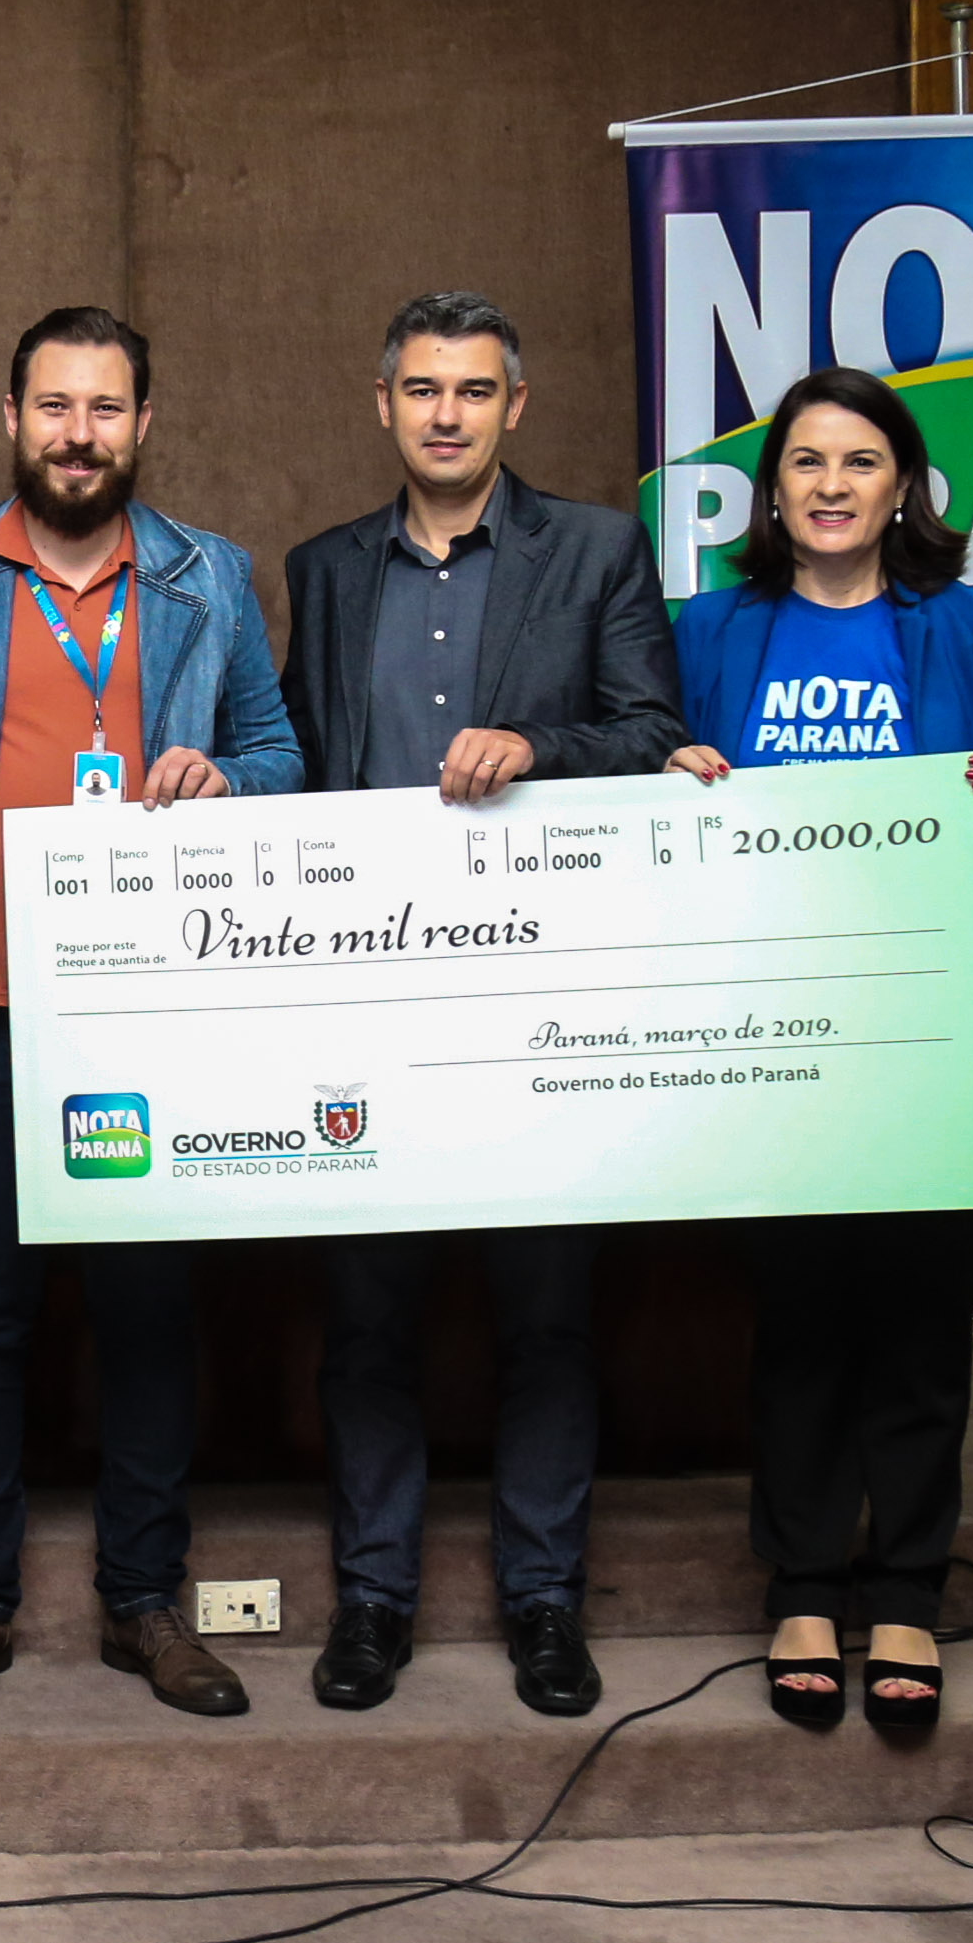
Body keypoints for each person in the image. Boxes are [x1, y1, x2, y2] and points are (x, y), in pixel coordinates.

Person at [0, 306, 302, 1722]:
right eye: (54, 407)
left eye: (105, 409)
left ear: (142, 425)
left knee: (147, 1313)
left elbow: (279, 750)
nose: (78, 434)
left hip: (147, 1014)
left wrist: (229, 778)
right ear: (12, 419)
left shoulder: (207, 576)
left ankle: (145, 1603)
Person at [277, 292, 686, 1720]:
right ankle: (373, 1602)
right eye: (421, 388)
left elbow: (655, 733)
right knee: (367, 1323)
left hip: (542, 1000)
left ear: (516, 405)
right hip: (366, 1005)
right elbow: (300, 763)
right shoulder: (325, 568)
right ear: (382, 404)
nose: (444, 413)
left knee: (548, 1319)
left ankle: (544, 1604)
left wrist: (540, 748)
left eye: (472, 390)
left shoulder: (599, 549)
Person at [666, 365, 973, 1736]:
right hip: (777, 1025)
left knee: (917, 1321)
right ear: (772, 488)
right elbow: (643, 792)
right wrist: (665, 780)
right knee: (799, 1319)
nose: (831, 485)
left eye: (859, 461)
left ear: (903, 486)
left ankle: (904, 1584)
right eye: (806, 461)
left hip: (945, 1025)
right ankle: (800, 1582)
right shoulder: (710, 627)